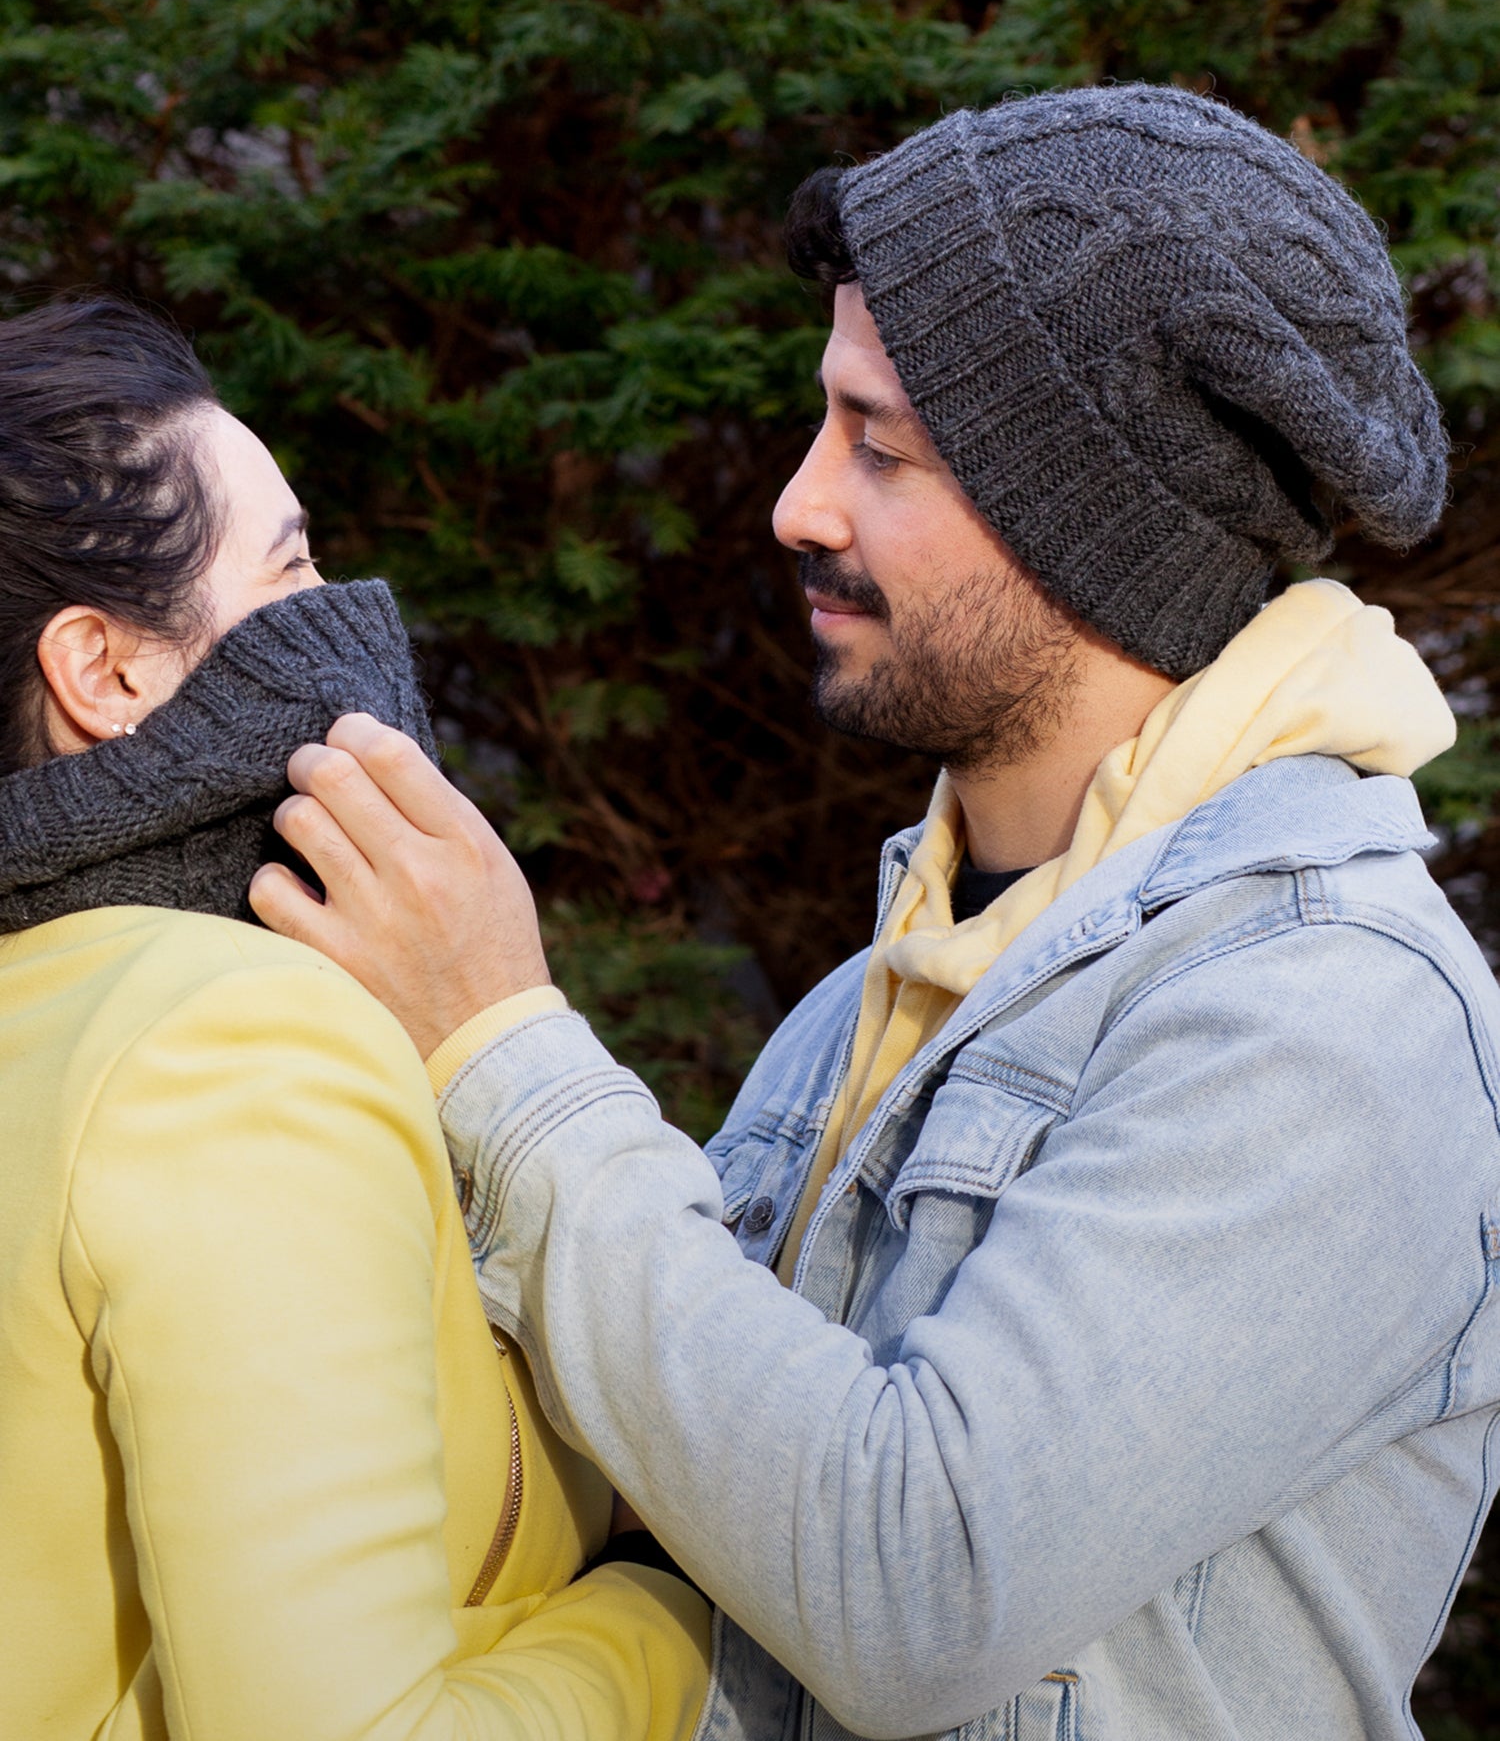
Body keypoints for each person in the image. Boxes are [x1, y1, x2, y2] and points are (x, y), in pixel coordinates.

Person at [255, 85, 1500, 1740]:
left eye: (882, 445)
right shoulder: (881, 994)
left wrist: (504, 1051)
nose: (799, 504)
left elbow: (920, 1588)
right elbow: (665, 1492)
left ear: (1096, 521)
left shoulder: (1330, 1012)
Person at [0, 294, 709, 1741]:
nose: (344, 615)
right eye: (294, 567)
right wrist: (679, 1615)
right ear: (107, 672)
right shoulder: (231, 1044)